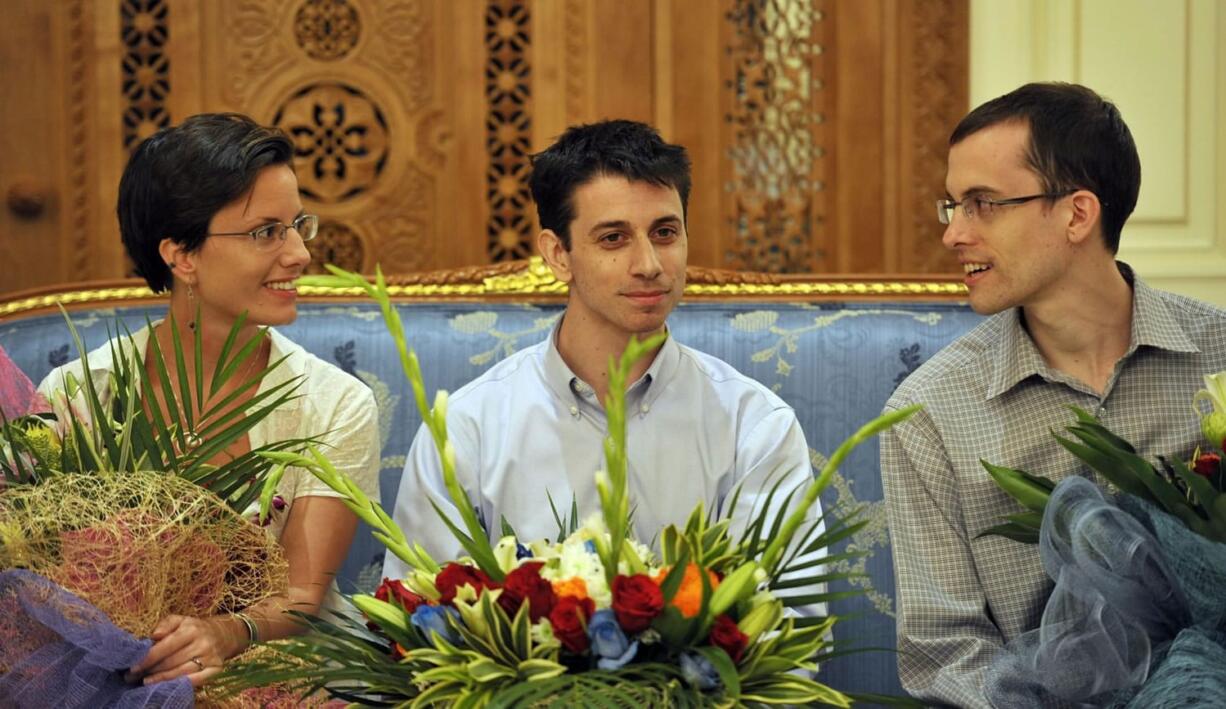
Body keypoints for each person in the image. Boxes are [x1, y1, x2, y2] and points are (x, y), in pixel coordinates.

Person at [880, 82, 1226, 708]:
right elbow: (945, 652)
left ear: (1077, 213)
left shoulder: (1220, 358)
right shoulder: (929, 412)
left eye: (983, 203)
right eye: (952, 205)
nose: (953, 234)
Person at [383, 120, 822, 605]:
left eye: (665, 232)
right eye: (614, 238)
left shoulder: (753, 426)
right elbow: (422, 631)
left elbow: (784, 630)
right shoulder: (467, 430)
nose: (650, 263)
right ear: (557, 254)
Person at [37, 114, 380, 688]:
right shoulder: (78, 395)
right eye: (265, 232)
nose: (298, 253)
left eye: (298, 225)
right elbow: (43, 573)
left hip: (278, 666)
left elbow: (299, 595)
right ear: (182, 255)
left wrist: (223, 632)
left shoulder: (333, 403)